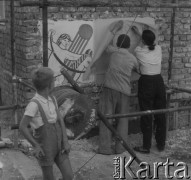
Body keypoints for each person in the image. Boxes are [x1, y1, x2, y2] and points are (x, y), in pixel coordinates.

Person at [19, 67, 74, 180]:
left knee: (69, 175)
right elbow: (22, 127)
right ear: (49, 85)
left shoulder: (52, 99)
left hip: (59, 144)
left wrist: (65, 141)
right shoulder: (34, 104)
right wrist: (36, 145)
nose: (54, 83)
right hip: (45, 147)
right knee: (49, 177)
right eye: (53, 81)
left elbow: (60, 121)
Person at [98, 21, 139, 155]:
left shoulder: (113, 52)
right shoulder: (132, 58)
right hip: (124, 91)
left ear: (117, 44)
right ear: (129, 45)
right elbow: (139, 70)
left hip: (109, 89)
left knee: (106, 119)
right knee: (123, 121)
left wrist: (114, 30)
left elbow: (105, 45)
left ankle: (105, 148)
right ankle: (120, 148)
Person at [132, 27, 167, 154]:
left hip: (146, 82)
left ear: (143, 40)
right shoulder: (158, 49)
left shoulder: (139, 51)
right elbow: (151, 42)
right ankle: (161, 143)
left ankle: (146, 146)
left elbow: (141, 44)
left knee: (147, 114)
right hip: (158, 81)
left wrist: (138, 35)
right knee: (161, 112)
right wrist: (142, 35)